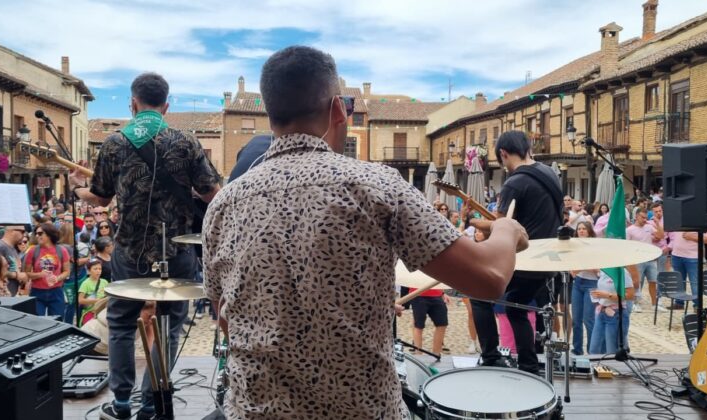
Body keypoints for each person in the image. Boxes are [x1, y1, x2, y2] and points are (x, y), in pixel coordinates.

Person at [203, 46, 527, 418]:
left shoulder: (223, 206)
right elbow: (488, 278)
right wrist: (506, 229)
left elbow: (226, 318)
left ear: (270, 116)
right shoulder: (377, 186)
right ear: (337, 110)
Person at [69, 72, 222, 420]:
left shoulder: (114, 143)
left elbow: (100, 198)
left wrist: (76, 187)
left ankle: (122, 402)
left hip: (130, 250)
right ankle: (153, 401)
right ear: (166, 106)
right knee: (169, 325)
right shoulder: (186, 142)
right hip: (178, 249)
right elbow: (213, 194)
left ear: (133, 103)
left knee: (121, 323)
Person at [468, 130, 563, 375]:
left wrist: (473, 221)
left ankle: (491, 357)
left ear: (503, 153)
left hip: (522, 259)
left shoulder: (514, 182)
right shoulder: (550, 174)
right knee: (515, 307)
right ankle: (528, 365)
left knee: (478, 295)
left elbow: (499, 228)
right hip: (545, 260)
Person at [23, 222, 71, 317]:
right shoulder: (33, 251)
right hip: (37, 291)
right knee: (37, 321)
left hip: (56, 291)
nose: (37, 236)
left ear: (49, 234)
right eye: (36, 233)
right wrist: (39, 274)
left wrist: (57, 278)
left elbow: (67, 271)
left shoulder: (61, 250)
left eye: (40, 233)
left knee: (57, 320)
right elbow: (26, 273)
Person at [570, 221, 600, 355]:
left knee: (589, 319)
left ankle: (592, 350)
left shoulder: (594, 247)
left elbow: (598, 269)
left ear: (589, 231)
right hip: (578, 283)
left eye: (584, 229)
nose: (581, 231)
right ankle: (577, 349)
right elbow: (572, 268)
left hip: (591, 284)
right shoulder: (574, 247)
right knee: (576, 320)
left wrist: (581, 267)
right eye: (579, 229)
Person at [589, 269, 634, 355]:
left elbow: (630, 295)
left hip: (616, 314)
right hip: (602, 312)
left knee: (612, 352)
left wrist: (607, 295)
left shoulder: (622, 272)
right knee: (594, 350)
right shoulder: (604, 270)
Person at [625, 211, 660, 313]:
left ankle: (654, 304)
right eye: (643, 217)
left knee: (653, 281)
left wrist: (657, 224)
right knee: (636, 282)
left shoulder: (649, 227)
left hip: (650, 259)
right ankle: (635, 303)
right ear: (636, 216)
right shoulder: (629, 230)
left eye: (646, 218)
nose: (645, 220)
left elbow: (661, 236)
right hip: (637, 259)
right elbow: (626, 245)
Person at [667, 229, 707, 309]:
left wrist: (692, 237)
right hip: (676, 255)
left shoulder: (700, 223)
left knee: (695, 282)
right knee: (679, 281)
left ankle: (697, 306)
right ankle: (679, 302)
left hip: (693, 257)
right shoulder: (678, 222)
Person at [409, 285, 449, 354]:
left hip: (437, 294)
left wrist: (443, 293)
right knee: (418, 326)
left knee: (442, 324)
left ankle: (436, 354)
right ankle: (418, 354)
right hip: (418, 294)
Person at [0, 225, 29, 296]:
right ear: (12, 231)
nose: (24, 235)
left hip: (12, 293)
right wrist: (17, 275)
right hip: (2, 295)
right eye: (22, 232)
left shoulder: (12, 247)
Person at [78, 259, 108, 325]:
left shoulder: (104, 282)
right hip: (90, 312)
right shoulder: (85, 283)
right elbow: (80, 300)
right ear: (89, 271)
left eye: (100, 269)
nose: (98, 271)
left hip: (102, 311)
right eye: (95, 269)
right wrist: (97, 301)